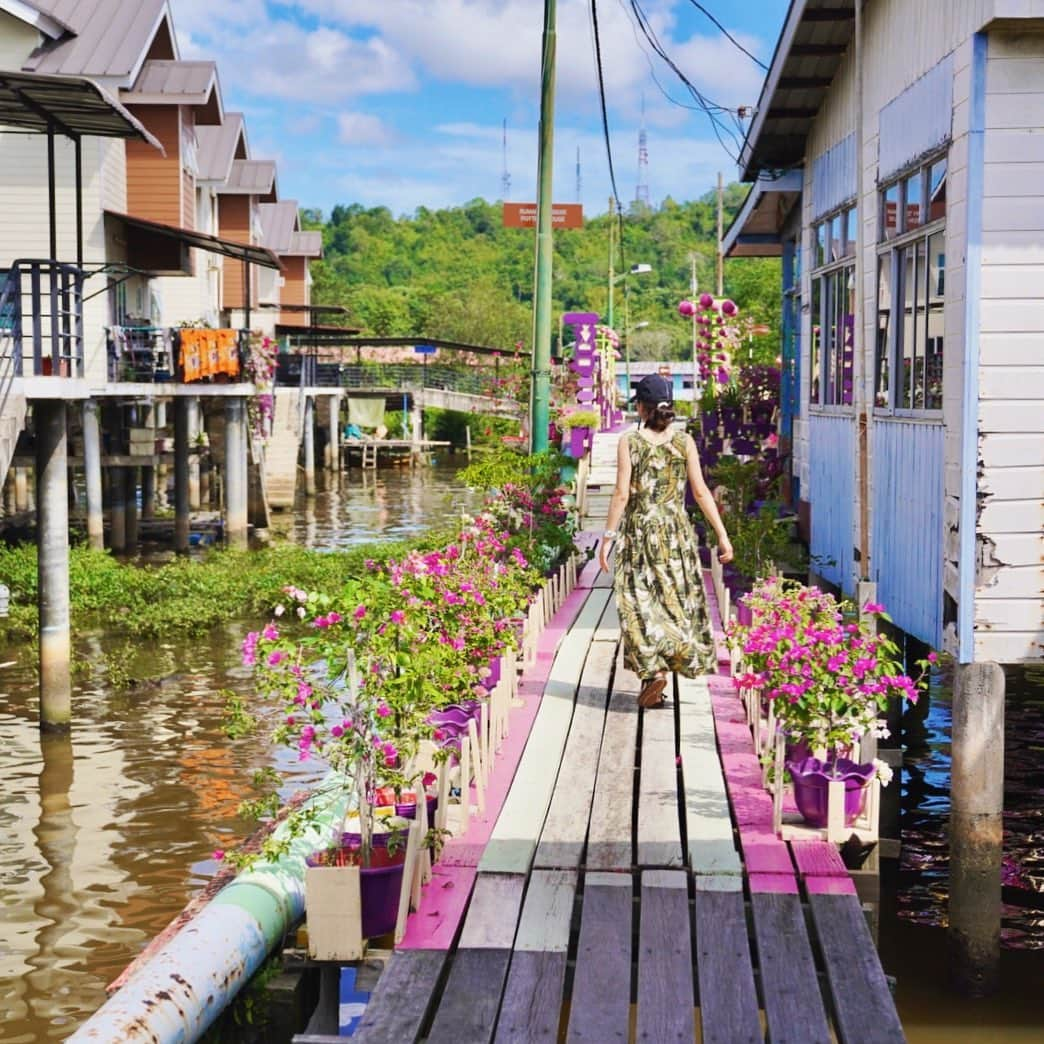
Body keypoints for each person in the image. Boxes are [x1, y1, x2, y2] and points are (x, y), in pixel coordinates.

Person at [598, 373, 733, 708]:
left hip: (639, 532)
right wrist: (722, 534)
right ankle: (661, 671)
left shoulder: (629, 442)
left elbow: (620, 494)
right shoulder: (684, 442)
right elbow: (701, 492)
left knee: (638, 601)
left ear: (641, 408)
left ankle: (652, 672)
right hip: (675, 533)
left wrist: (607, 538)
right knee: (672, 601)